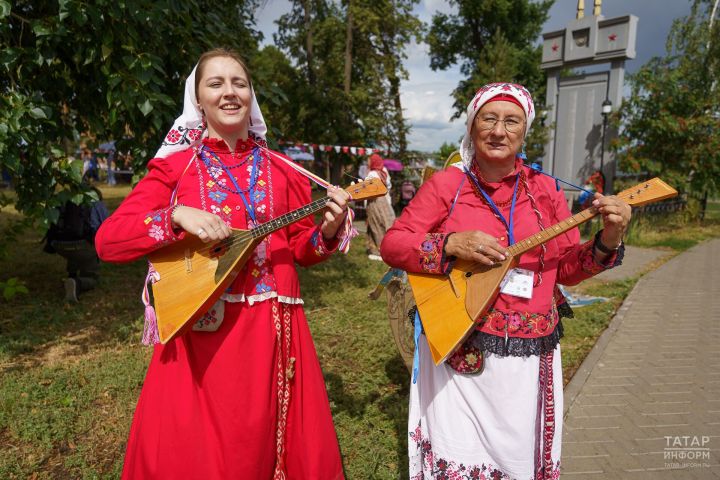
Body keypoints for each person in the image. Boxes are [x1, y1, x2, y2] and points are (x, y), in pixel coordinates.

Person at [95, 48, 350, 479]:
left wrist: (326, 230)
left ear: (251, 96)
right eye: (216, 83)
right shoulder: (176, 168)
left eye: (239, 83)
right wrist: (175, 216)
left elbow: (299, 251)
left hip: (274, 334)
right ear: (198, 100)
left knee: (271, 443)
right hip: (202, 338)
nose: (229, 93)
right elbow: (109, 241)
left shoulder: (281, 169)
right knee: (204, 454)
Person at [380, 83, 631, 479]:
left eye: (511, 120)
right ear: (472, 126)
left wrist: (608, 241)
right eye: (489, 118)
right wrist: (449, 244)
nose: (499, 130)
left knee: (518, 458)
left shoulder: (544, 190)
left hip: (528, 357)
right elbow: (393, 244)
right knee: (458, 453)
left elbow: (566, 268)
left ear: (524, 131)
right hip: (458, 342)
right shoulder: (448, 184)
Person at [44, 187, 108, 302]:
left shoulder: (63, 199)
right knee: (91, 273)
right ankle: (79, 283)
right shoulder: (96, 202)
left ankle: (71, 274)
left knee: (74, 252)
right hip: (83, 245)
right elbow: (106, 225)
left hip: (59, 245)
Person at [364, 153, 395, 261]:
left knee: (375, 224)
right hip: (385, 201)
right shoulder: (384, 171)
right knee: (385, 223)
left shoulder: (372, 174)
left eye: (369, 160)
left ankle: (378, 251)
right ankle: (388, 249)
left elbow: (366, 190)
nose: (368, 163)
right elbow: (389, 186)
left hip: (374, 201)